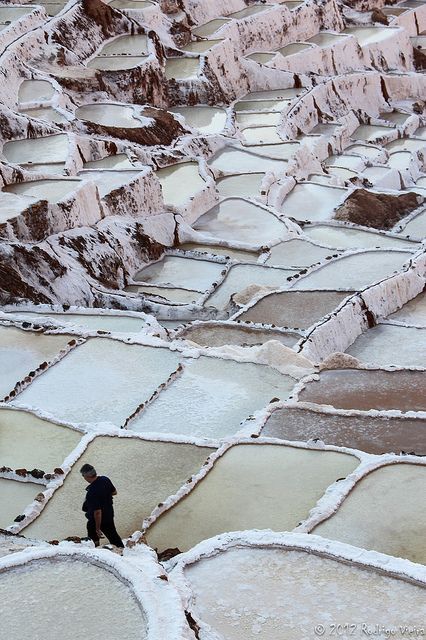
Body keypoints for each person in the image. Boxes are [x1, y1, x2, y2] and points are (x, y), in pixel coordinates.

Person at [80, 463, 124, 549]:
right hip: (109, 513)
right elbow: (114, 492)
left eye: (83, 475)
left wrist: (98, 528)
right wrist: (105, 497)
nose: (83, 477)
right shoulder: (105, 479)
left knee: (95, 535)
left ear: (86, 476)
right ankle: (121, 549)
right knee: (113, 535)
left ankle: (97, 549)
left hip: (98, 519)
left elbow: (97, 512)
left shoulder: (92, 492)